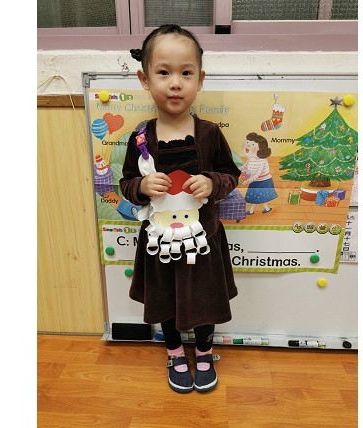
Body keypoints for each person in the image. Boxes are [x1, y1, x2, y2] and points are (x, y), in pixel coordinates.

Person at [120, 24, 241, 394]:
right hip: (159, 243)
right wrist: (141, 187)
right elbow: (126, 183)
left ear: (200, 80)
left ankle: (203, 352)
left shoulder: (210, 133)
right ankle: (174, 352)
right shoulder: (141, 136)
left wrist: (212, 183)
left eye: (186, 73)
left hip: (203, 242)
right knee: (165, 301)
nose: (175, 83)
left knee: (205, 299)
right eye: (163, 72)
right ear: (144, 79)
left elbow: (231, 175)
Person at [239, 132, 278, 214]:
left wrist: (248, 181)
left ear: (261, 149)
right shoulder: (250, 159)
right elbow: (243, 167)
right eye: (247, 143)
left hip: (264, 182)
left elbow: (257, 174)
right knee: (254, 197)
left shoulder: (262, 162)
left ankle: (265, 209)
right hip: (254, 181)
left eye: (252, 144)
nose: (248, 146)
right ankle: (253, 210)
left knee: (261, 197)